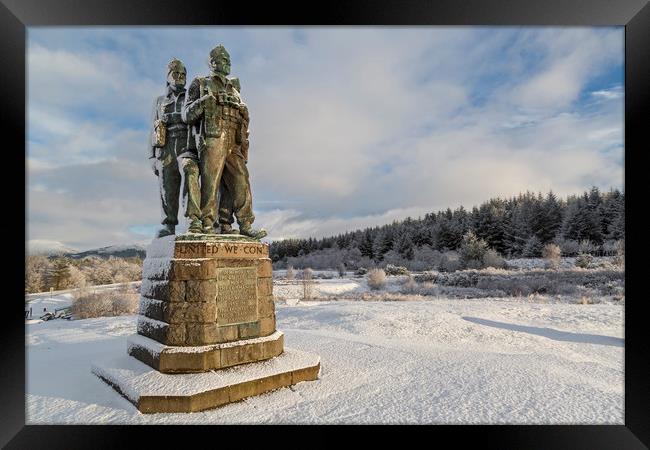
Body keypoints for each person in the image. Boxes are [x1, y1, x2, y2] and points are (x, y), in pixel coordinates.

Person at [183, 45, 266, 238]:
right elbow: (187, 115)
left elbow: (242, 114)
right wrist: (204, 102)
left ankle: (245, 224)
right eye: (223, 60)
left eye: (229, 60)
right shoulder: (201, 83)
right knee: (210, 181)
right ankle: (206, 223)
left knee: (241, 179)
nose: (227, 64)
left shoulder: (233, 87)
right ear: (212, 63)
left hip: (233, 139)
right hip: (213, 135)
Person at [149, 58, 201, 237]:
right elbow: (153, 129)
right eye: (176, 74)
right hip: (166, 146)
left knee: (189, 170)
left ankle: (193, 220)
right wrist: (152, 157)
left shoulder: (192, 96)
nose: (180, 77)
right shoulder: (159, 101)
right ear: (168, 76)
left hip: (186, 144)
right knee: (167, 185)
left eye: (183, 75)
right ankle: (168, 224)